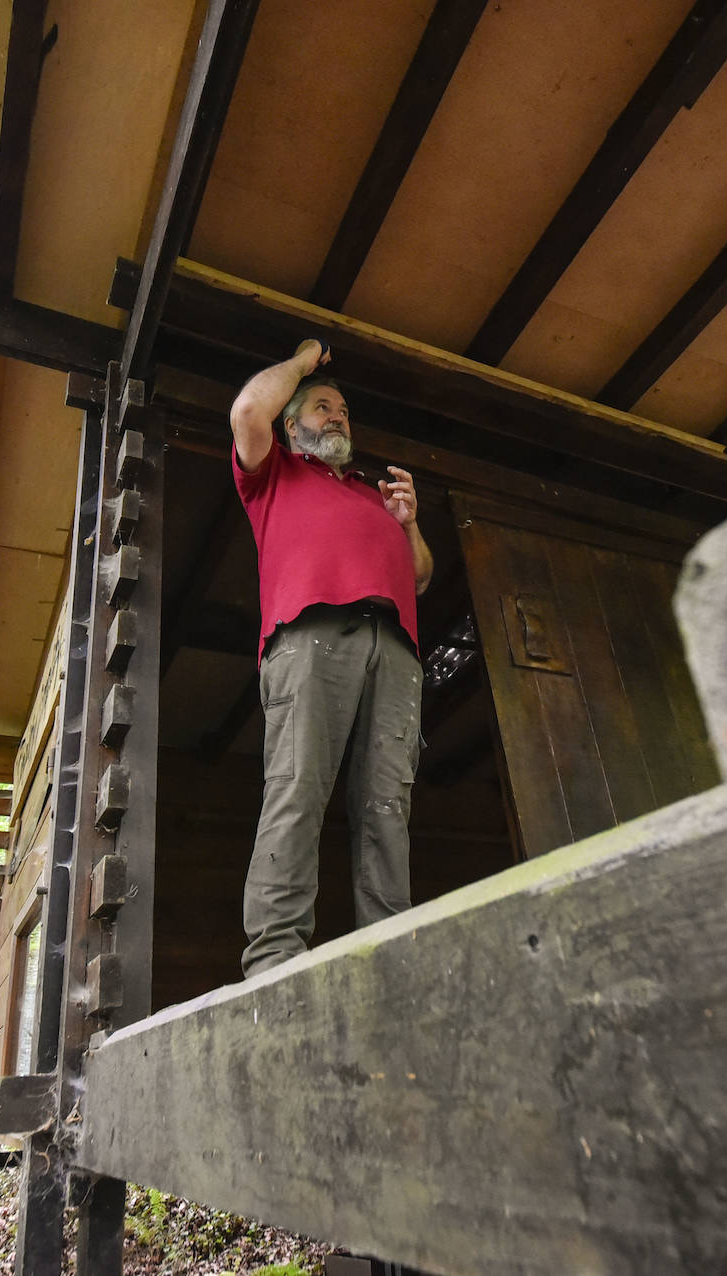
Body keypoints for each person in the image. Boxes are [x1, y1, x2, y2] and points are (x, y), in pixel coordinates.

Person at [229, 337, 433, 977]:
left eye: (343, 411)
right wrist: (301, 363)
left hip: (394, 646)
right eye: (322, 407)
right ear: (291, 428)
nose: (338, 417)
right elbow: (247, 412)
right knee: (297, 789)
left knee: (388, 806)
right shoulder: (274, 475)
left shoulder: (376, 496)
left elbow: (421, 576)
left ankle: (392, 952)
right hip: (310, 633)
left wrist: (409, 523)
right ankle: (275, 957)